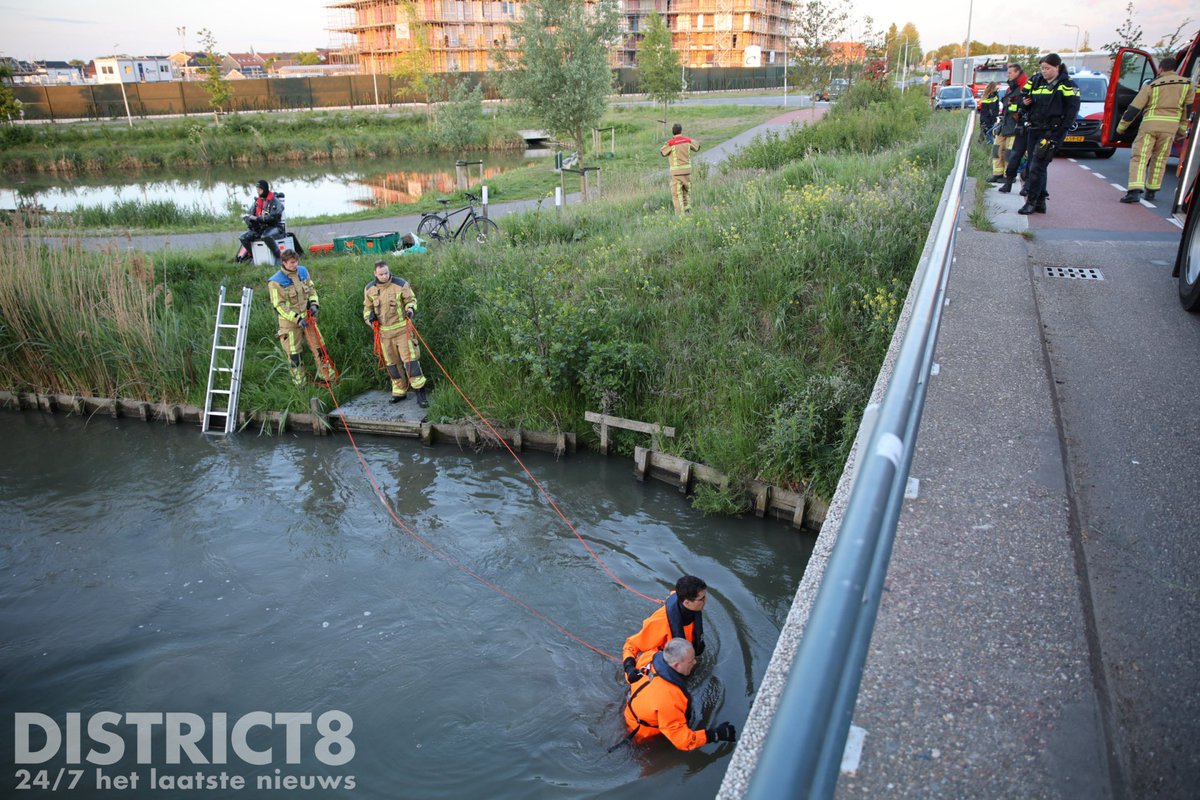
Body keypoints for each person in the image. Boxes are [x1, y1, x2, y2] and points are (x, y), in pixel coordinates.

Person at [622, 638, 736, 750]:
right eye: (691, 661)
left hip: (632, 709)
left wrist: (628, 665)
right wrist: (715, 735)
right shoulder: (669, 699)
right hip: (643, 734)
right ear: (676, 665)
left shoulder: (649, 657)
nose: (695, 662)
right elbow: (684, 741)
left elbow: (630, 656)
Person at [1118, 56, 1194, 204]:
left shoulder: (1152, 85)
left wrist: (1122, 127)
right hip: (1170, 128)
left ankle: (1134, 191)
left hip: (1149, 126)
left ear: (1160, 69)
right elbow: (1187, 110)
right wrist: (1182, 130)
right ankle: (1151, 191)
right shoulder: (1187, 85)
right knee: (1160, 159)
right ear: (1174, 69)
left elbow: (1134, 108)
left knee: (1140, 158)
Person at [1013, 54, 1080, 215]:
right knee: (1033, 166)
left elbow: (1072, 110)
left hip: (1052, 131)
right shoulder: (1037, 81)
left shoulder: (1067, 85)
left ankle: (1031, 202)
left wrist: (1059, 134)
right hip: (1035, 129)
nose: (1044, 71)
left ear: (1057, 67)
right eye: (1042, 68)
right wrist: (1025, 104)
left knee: (1038, 166)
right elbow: (1023, 100)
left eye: (1047, 68)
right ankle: (1041, 202)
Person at [362, 259, 428, 407]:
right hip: (384, 334)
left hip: (402, 329)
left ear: (388, 271)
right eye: (381, 274)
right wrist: (370, 318)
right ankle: (399, 391)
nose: (384, 276)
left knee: (411, 361)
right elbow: (366, 309)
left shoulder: (400, 284)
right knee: (392, 364)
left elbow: (411, 300)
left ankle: (420, 394)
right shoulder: (369, 289)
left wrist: (410, 309)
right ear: (375, 274)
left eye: (386, 273)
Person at [622, 575, 707, 683]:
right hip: (665, 666)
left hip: (687, 661)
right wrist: (629, 668)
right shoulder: (660, 621)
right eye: (702, 599)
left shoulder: (693, 607)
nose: (706, 600)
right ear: (686, 603)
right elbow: (631, 645)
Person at [267, 250, 331, 385]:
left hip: (308, 319)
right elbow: (279, 306)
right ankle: (300, 384)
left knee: (320, 348)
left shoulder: (303, 272)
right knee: (295, 354)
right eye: (291, 263)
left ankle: (327, 378)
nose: (295, 265)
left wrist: (314, 304)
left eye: (296, 261)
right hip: (290, 324)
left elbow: (311, 289)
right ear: (284, 263)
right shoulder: (275, 282)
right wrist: (297, 319)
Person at [237, 179, 287, 264]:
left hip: (275, 227)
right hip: (260, 228)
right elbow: (249, 214)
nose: (258, 192)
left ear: (265, 189)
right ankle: (254, 256)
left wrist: (258, 219)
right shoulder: (257, 201)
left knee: (265, 236)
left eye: (260, 190)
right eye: (257, 190)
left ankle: (279, 256)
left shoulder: (275, 201)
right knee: (243, 237)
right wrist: (248, 220)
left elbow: (273, 217)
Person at [997, 63, 1030, 192]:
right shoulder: (1011, 87)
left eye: (1010, 72)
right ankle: (1008, 181)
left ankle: (1026, 186)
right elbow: (1006, 103)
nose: (1008, 75)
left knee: (1020, 156)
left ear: (1018, 72)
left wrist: (1017, 105)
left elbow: (1027, 104)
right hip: (1009, 123)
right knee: (1013, 155)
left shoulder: (1025, 86)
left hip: (1021, 124)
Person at [660, 123, 700, 214]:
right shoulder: (688, 140)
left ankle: (680, 216)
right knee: (686, 192)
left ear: (672, 131)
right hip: (687, 172)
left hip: (676, 173)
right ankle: (688, 211)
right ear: (681, 131)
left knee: (677, 195)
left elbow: (662, 153)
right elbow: (697, 147)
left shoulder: (670, 143)